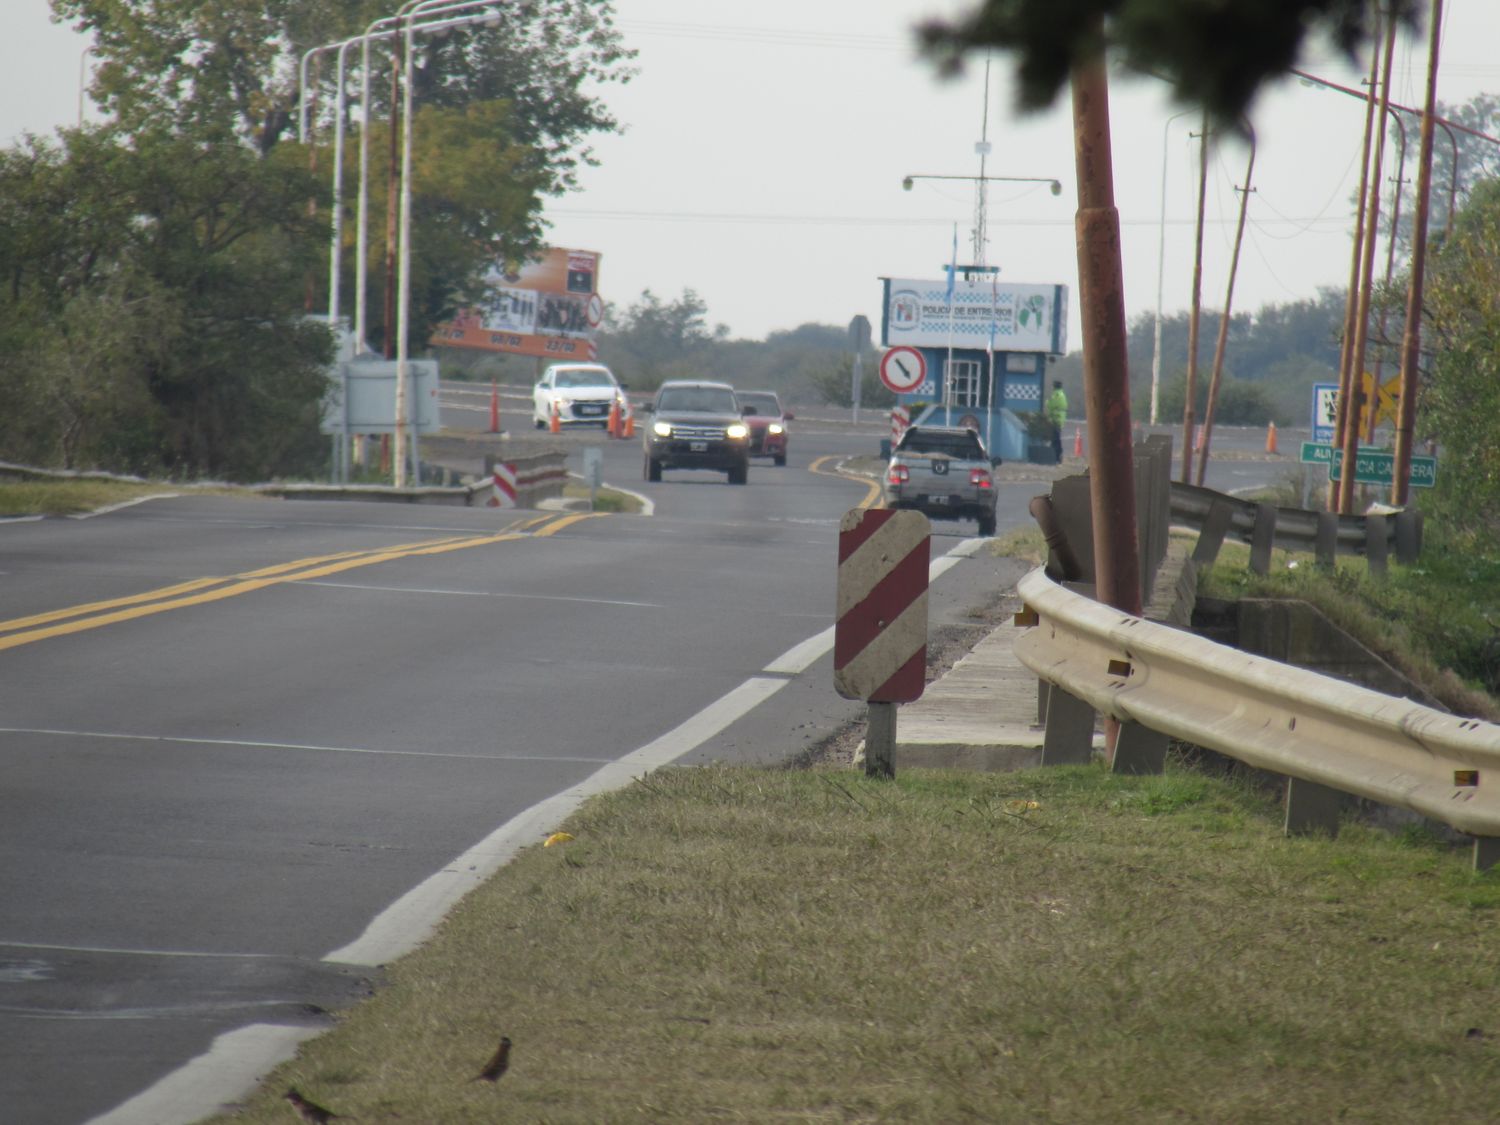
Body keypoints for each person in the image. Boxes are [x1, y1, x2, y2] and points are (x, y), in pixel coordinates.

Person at [1046, 379, 1068, 463]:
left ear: (1054, 386)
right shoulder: (1061, 394)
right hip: (1059, 419)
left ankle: (1056, 457)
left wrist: (1047, 402)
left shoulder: (1057, 394)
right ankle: (1056, 457)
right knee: (1056, 439)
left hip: (1056, 419)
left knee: (1055, 439)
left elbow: (1051, 405)